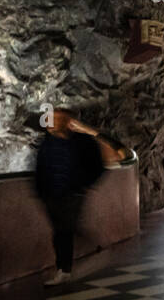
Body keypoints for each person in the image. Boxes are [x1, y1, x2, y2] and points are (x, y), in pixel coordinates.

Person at [34, 109, 112, 285]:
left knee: (64, 229)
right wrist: (40, 191)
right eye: (52, 119)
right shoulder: (47, 143)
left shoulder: (82, 142)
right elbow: (41, 166)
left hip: (72, 193)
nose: (52, 122)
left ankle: (64, 269)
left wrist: (83, 184)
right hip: (51, 194)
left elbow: (98, 165)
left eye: (57, 119)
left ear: (68, 121)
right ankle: (91, 248)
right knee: (62, 230)